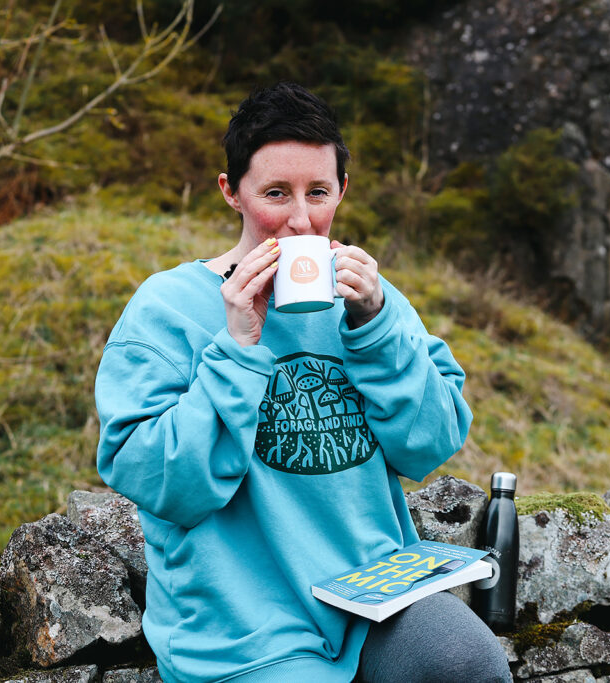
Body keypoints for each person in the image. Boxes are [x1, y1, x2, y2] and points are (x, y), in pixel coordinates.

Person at [95, 82, 511, 683]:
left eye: (318, 192)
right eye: (274, 193)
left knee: (469, 662)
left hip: (373, 597)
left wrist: (376, 326)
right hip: (242, 625)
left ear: (343, 189)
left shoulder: (369, 300)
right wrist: (238, 344)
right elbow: (165, 484)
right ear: (230, 192)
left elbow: (430, 443)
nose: (299, 219)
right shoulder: (168, 309)